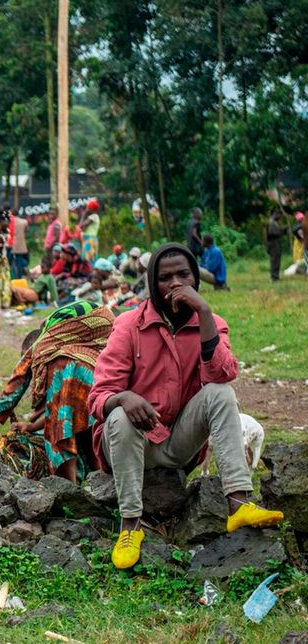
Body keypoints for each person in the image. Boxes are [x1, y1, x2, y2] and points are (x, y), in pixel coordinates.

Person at [88, 243, 284, 569]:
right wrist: (123, 397)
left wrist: (204, 314)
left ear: (196, 279)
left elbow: (223, 373)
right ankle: (130, 526)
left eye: (184, 275)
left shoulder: (211, 322)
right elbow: (96, 397)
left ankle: (238, 502)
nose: (175, 284)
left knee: (221, 393)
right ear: (153, 283)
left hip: (178, 443)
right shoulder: (128, 325)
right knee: (120, 414)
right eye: (165, 277)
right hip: (130, 444)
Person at [0, 301, 115, 482]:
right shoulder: (79, 346)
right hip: (97, 361)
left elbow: (13, 389)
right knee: (88, 432)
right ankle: (101, 485)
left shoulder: (43, 350)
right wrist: (31, 426)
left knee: (62, 430)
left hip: (73, 372)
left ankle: (69, 487)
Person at [267, 209, 289, 283]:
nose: (280, 217)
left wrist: (283, 229)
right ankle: (274, 277)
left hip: (276, 244)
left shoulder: (275, 222)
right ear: (275, 214)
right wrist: (282, 230)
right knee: (274, 261)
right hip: (273, 245)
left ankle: (276, 276)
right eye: (279, 215)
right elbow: (272, 233)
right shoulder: (271, 222)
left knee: (277, 260)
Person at [9, 209, 30, 278]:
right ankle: (19, 277)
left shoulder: (9, 222)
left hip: (10, 245)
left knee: (9, 262)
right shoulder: (24, 222)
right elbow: (27, 230)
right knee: (19, 262)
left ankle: (10, 276)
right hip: (21, 245)